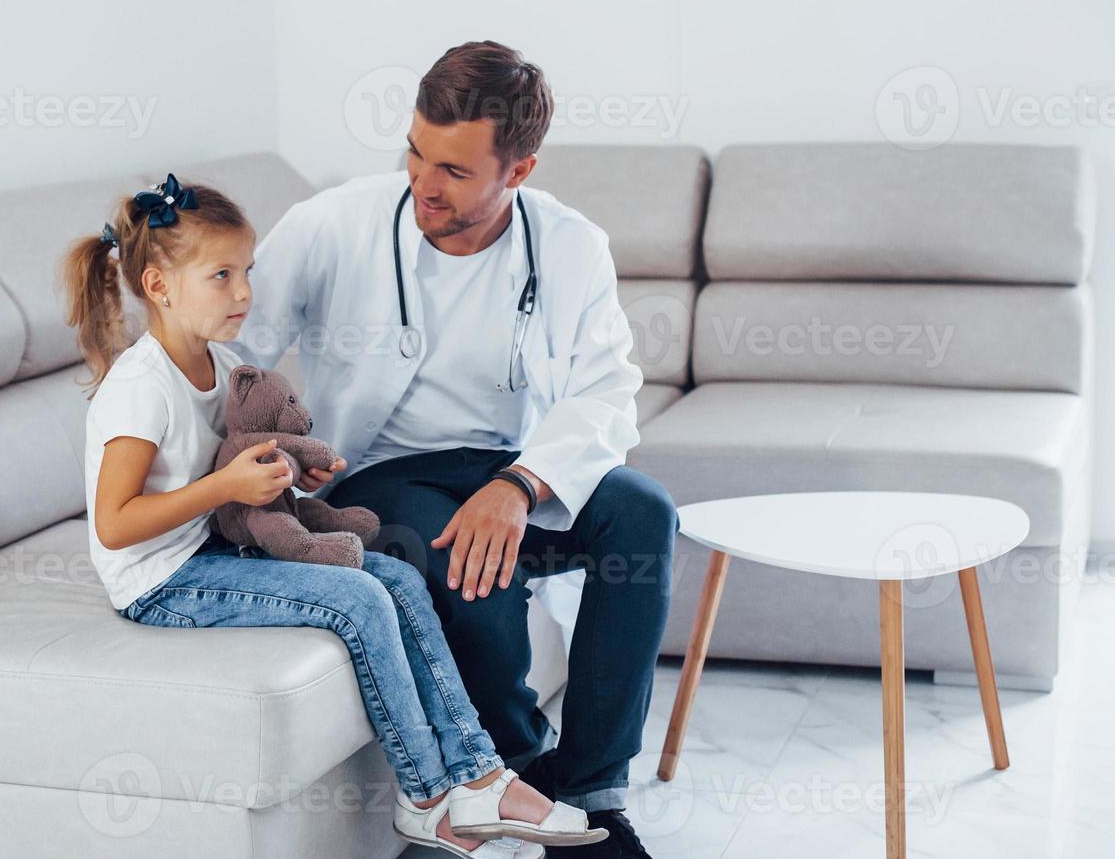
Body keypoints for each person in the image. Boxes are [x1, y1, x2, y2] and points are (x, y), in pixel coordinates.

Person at [58, 173, 608, 858]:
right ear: (159, 287)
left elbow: (228, 457)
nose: (244, 294)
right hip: (160, 580)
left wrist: (286, 468)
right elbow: (115, 524)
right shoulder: (141, 388)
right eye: (221, 276)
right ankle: (427, 797)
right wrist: (225, 484)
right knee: (359, 599)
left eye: (247, 272)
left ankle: (479, 774)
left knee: (399, 580)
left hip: (210, 550)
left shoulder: (218, 363)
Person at [229, 42, 679, 859]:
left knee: (644, 514)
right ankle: (509, 770)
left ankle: (588, 791)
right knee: (461, 562)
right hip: (381, 474)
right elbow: (233, 352)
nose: (424, 184)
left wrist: (519, 484)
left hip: (519, 467)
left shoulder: (573, 247)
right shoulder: (333, 224)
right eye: (414, 153)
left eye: (456, 171)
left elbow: (608, 390)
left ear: (520, 170)